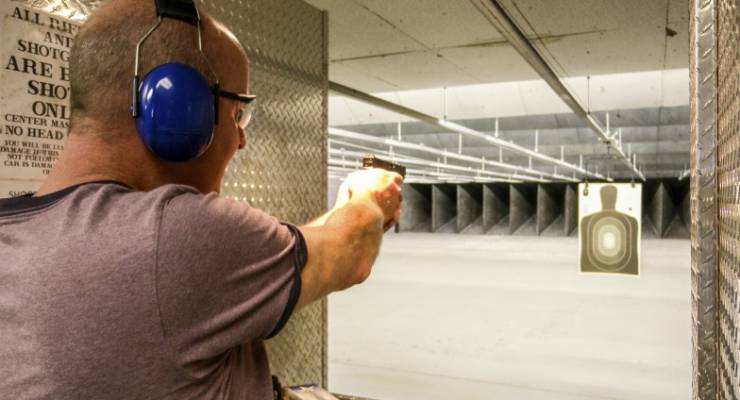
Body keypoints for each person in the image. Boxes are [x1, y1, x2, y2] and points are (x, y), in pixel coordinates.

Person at [0, 1, 402, 399]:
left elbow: (295, 250)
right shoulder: (173, 234)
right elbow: (350, 253)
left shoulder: (15, 230)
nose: (241, 139)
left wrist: (344, 209)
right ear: (175, 107)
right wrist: (371, 194)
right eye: (238, 114)